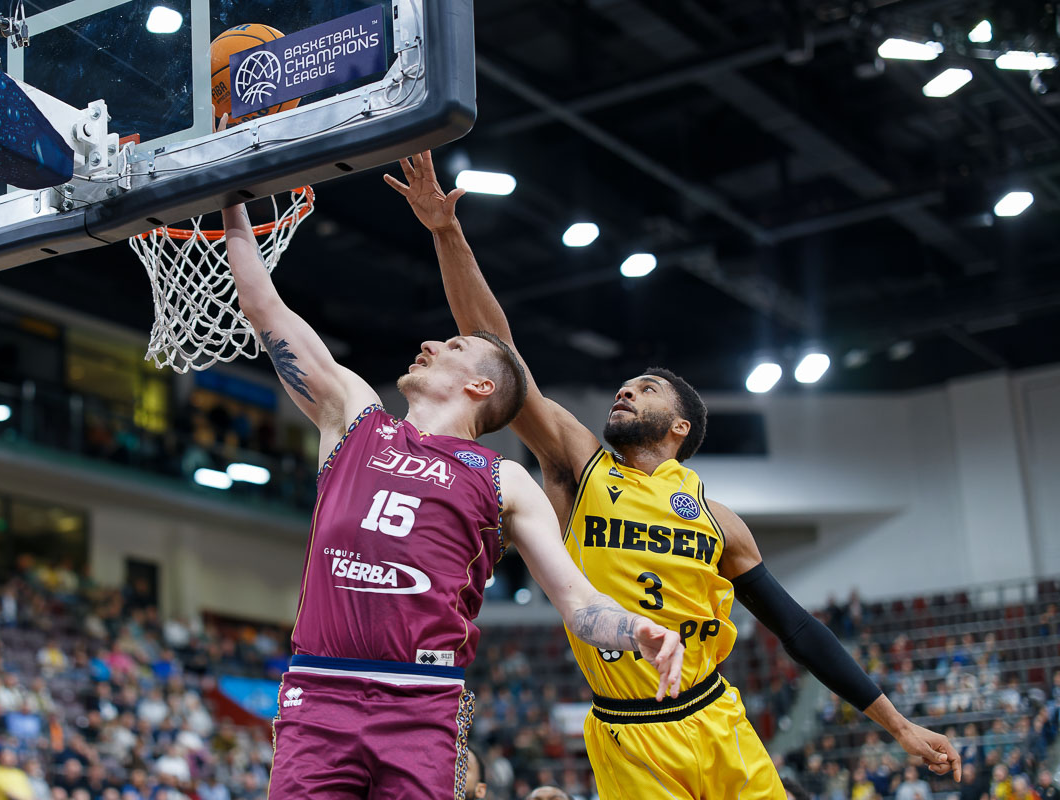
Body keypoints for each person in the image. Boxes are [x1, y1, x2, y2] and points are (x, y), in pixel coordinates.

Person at [388, 150, 963, 799]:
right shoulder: (582, 467)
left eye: (647, 388)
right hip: (629, 734)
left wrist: (899, 725)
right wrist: (447, 232)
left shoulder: (720, 522)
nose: (625, 393)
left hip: (719, 721)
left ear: (680, 425)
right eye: (624, 387)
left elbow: (798, 630)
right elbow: (499, 355)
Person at [218, 167, 685, 800]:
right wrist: (228, 198)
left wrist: (638, 630)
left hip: (424, 706)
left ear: (482, 386)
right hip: (319, 692)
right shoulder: (356, 418)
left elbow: (577, 603)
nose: (430, 341)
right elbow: (265, 308)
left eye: (455, 345)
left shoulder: (505, 480)